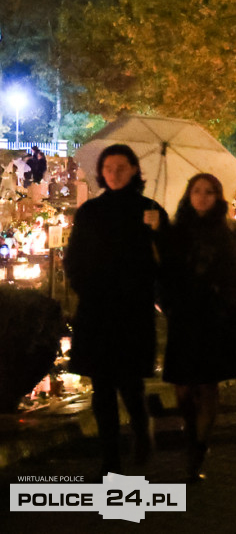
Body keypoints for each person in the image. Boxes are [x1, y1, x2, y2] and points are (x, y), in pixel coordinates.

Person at [64, 144, 168, 475]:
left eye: (122, 167)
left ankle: (141, 429)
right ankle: (110, 457)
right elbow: (75, 257)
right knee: (102, 386)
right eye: (108, 168)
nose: (115, 173)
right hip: (97, 308)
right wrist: (84, 287)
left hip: (132, 308)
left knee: (130, 383)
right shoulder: (90, 212)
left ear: (135, 169)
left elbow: (166, 261)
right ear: (101, 172)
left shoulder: (150, 210)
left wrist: (158, 233)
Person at [161, 174, 236, 482]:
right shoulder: (175, 231)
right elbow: (164, 270)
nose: (202, 197)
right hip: (184, 313)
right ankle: (190, 427)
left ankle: (199, 443)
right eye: (196, 191)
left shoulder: (230, 231)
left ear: (218, 196)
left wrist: (220, 285)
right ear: (188, 195)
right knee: (184, 384)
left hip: (215, 314)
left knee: (209, 382)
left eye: (208, 192)